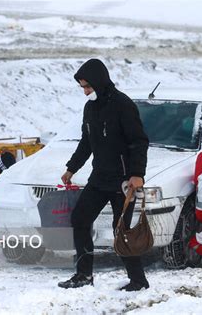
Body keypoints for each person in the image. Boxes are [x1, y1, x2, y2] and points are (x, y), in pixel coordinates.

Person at [57, 59, 150, 291]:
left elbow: (139, 141)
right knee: (79, 219)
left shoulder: (123, 105)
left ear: (99, 82)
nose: (86, 92)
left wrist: (137, 174)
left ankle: (138, 281)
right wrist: (72, 168)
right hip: (99, 178)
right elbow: (86, 142)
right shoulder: (90, 108)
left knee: (123, 230)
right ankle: (83, 275)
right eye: (82, 88)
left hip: (123, 181)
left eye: (88, 86)